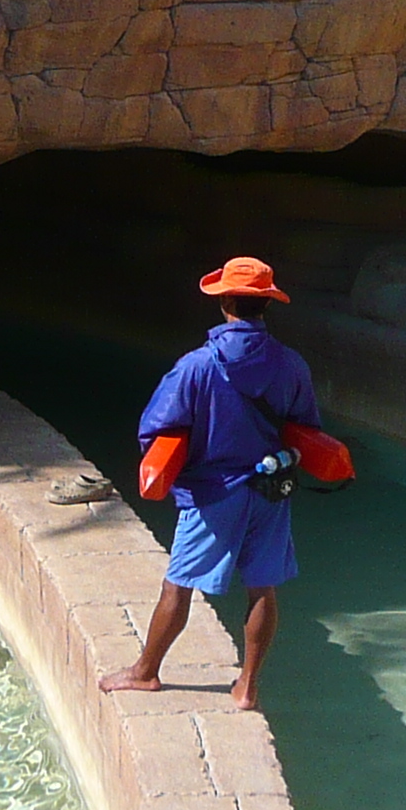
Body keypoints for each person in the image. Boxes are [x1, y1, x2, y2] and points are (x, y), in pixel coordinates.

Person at [100, 255, 323, 711]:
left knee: (178, 585)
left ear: (224, 303)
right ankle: (247, 686)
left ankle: (145, 673)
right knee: (263, 588)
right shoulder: (292, 365)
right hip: (270, 489)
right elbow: (306, 428)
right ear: (265, 306)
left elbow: (155, 428)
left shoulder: (196, 367)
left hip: (213, 494)